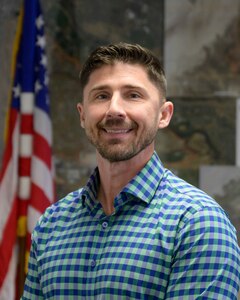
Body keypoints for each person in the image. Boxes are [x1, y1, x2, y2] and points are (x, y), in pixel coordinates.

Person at [21, 42, 240, 299]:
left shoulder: (198, 223)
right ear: (82, 115)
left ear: (163, 115)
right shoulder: (52, 224)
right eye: (101, 95)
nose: (114, 109)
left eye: (133, 95)